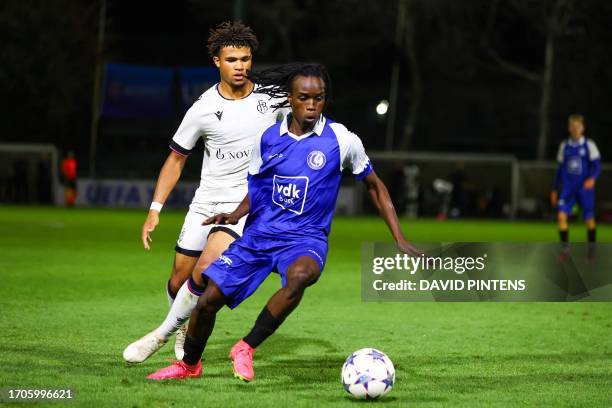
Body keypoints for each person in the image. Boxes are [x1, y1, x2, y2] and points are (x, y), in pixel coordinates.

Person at [146, 63, 421, 381]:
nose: (312, 105)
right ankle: (188, 366)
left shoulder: (341, 139)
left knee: (301, 275)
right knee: (208, 301)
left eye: (319, 98)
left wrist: (398, 236)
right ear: (289, 98)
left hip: (306, 238)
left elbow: (374, 184)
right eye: (304, 97)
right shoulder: (267, 139)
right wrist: (235, 215)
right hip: (261, 235)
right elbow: (256, 190)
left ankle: (246, 347)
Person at [122, 21, 288, 363]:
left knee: (207, 268)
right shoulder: (202, 108)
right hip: (206, 202)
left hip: (245, 205)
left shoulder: (273, 100)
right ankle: (183, 326)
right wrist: (155, 208)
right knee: (178, 279)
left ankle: (162, 333)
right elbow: (176, 158)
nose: (240, 66)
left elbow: (303, 126)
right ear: (216, 62)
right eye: (232, 60)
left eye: (245, 58)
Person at [550, 114, 600, 251]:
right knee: (561, 217)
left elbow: (596, 166)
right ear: (569, 127)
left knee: (589, 220)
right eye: (572, 126)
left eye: (578, 126)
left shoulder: (589, 145)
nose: (575, 129)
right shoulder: (564, 146)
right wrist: (554, 189)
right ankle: (565, 249)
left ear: (582, 128)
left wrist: (592, 178)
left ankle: (591, 249)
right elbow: (559, 169)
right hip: (567, 189)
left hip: (584, 189)